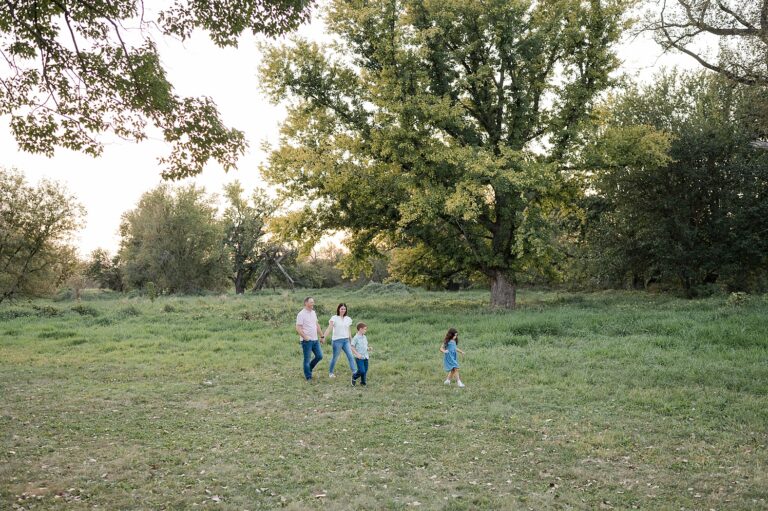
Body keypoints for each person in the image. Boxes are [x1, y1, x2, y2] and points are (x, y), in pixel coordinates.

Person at [295, 296, 325, 381]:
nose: (313, 304)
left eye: (313, 302)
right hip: (306, 341)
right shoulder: (301, 314)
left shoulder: (313, 313)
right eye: (311, 302)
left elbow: (317, 325)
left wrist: (322, 336)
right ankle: (308, 377)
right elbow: (298, 327)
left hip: (315, 340)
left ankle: (308, 369)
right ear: (306, 303)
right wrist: (305, 337)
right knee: (307, 359)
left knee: (319, 356)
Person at [324, 303, 355, 379]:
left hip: (346, 340)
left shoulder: (348, 319)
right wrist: (323, 336)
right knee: (335, 357)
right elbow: (329, 328)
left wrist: (351, 340)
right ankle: (331, 373)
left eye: (344, 309)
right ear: (338, 309)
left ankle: (355, 372)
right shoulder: (334, 318)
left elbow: (348, 330)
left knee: (350, 356)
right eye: (342, 309)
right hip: (337, 341)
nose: (343, 310)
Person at [350, 322, 372, 386]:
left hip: (365, 356)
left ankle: (363, 382)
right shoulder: (356, 338)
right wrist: (357, 354)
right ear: (360, 329)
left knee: (365, 370)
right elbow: (352, 347)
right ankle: (354, 377)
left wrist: (368, 348)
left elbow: (365, 346)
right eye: (365, 329)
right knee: (361, 371)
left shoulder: (364, 337)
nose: (366, 330)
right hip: (359, 357)